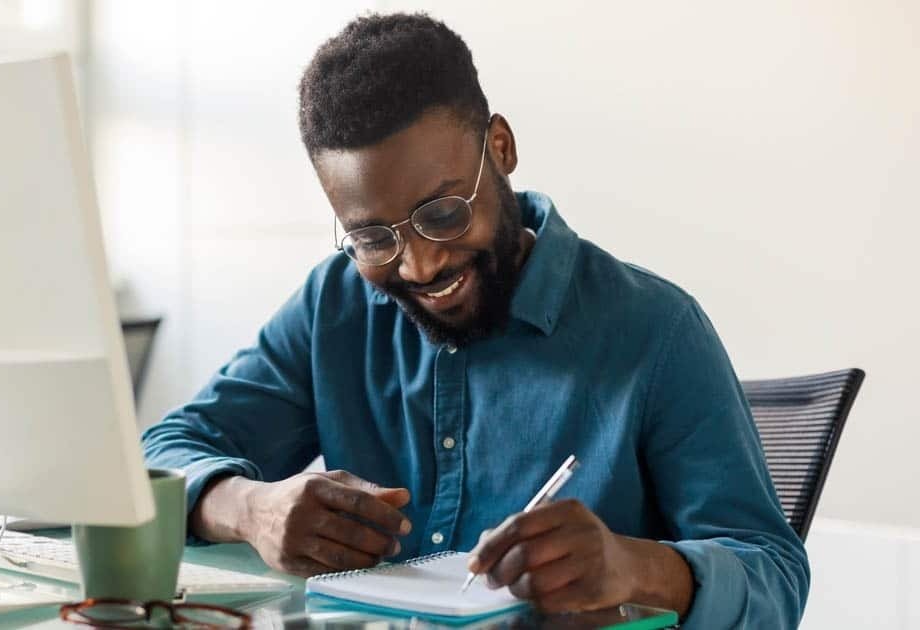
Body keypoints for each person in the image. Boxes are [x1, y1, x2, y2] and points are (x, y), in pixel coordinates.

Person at [142, 12, 808, 628]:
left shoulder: (656, 330)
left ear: (501, 147)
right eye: (374, 238)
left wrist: (632, 566)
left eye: (442, 213)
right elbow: (158, 454)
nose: (420, 264)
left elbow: (774, 577)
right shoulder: (335, 305)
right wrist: (250, 509)